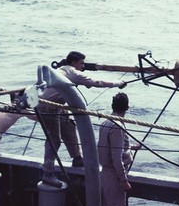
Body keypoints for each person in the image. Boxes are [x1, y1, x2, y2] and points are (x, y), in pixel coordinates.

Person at [39, 51, 126, 187]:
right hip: (47, 107)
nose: (83, 66)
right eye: (81, 63)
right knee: (54, 140)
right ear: (73, 63)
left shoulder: (61, 70)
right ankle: (47, 173)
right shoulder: (72, 71)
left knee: (69, 126)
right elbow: (96, 82)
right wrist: (117, 83)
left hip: (56, 106)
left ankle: (77, 158)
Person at [97, 92, 137, 206]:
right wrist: (123, 180)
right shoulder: (118, 126)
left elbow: (111, 147)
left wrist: (131, 147)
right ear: (127, 107)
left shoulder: (106, 122)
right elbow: (116, 157)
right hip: (114, 176)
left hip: (105, 173)